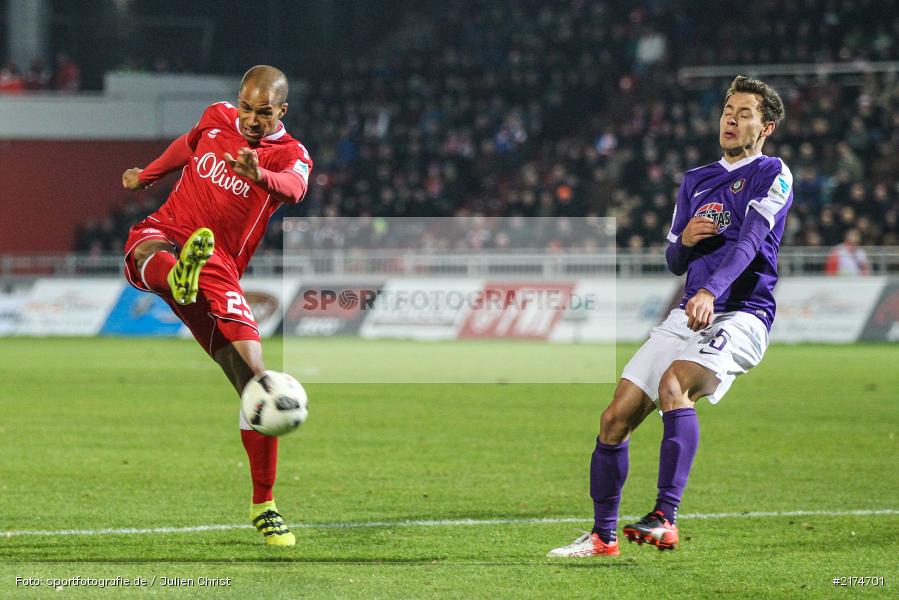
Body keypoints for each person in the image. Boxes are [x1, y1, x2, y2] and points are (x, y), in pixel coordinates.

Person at [549, 75, 791, 557]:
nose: (731, 119)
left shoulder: (773, 173)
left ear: (765, 128)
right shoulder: (696, 181)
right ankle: (602, 537)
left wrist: (709, 291)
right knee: (614, 418)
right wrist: (686, 242)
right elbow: (672, 259)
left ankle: (665, 516)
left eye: (744, 113)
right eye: (728, 109)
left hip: (742, 314)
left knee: (674, 384)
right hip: (689, 311)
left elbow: (749, 244)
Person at [121, 65, 313, 546]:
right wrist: (146, 176)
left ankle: (264, 505)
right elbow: (187, 146)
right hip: (170, 232)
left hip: (219, 265)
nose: (250, 118)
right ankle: (176, 277)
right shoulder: (217, 117)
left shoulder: (292, 154)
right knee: (144, 249)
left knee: (257, 382)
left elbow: (296, 188)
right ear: (238, 100)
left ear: (281, 112)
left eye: (263, 112)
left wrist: (261, 174)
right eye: (246, 107)